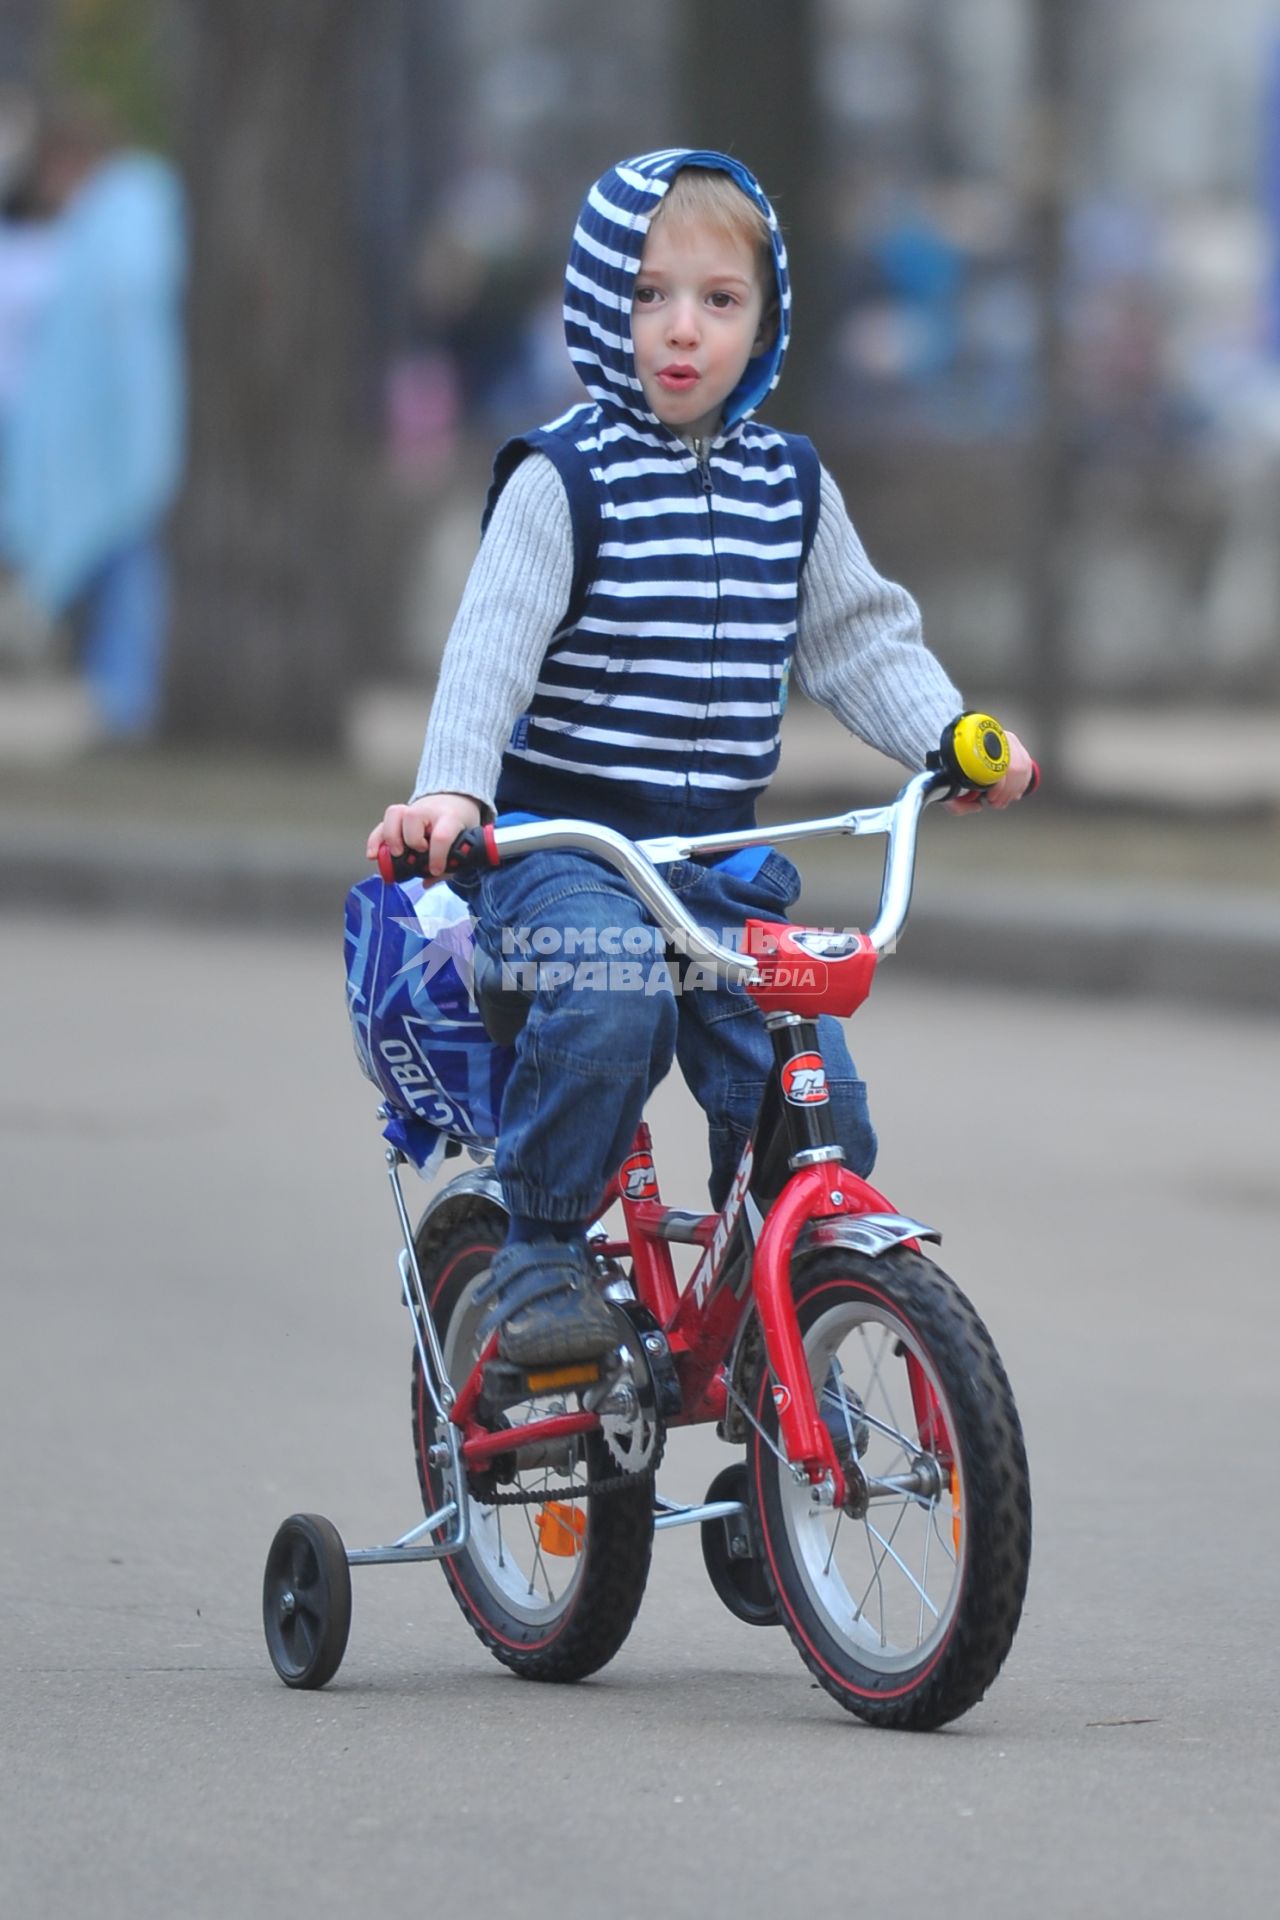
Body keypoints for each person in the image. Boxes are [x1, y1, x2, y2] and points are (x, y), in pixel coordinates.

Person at [368, 149, 1034, 1368]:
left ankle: (766, 1345)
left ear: (762, 319)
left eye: (718, 301)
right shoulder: (563, 480)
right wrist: (451, 793)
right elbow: (488, 653)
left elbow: (857, 639)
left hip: (713, 866)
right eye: (646, 296)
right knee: (610, 990)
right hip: (558, 859)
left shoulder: (789, 484)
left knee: (813, 1092)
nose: (682, 331)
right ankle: (538, 1255)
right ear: (591, 306)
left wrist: (946, 734)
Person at [0, 99, 186, 743]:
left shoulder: (131, 207)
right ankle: (118, 696)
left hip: (122, 432)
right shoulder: (115, 213)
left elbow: (125, 304)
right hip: (110, 434)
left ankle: (126, 701)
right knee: (122, 573)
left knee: (131, 574)